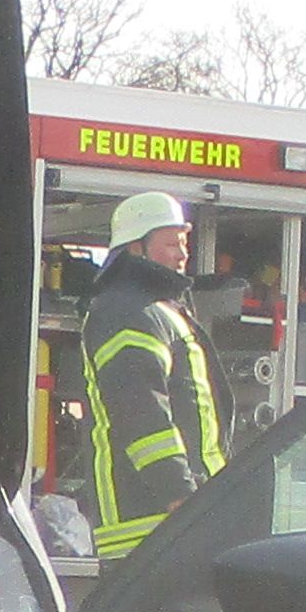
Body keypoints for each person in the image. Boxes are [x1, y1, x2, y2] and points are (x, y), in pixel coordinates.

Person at [79, 191, 228, 557]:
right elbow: (140, 411)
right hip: (151, 526)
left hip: (168, 523)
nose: (182, 254)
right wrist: (180, 495)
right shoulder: (128, 310)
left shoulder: (153, 309)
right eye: (171, 243)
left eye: (184, 243)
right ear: (135, 248)